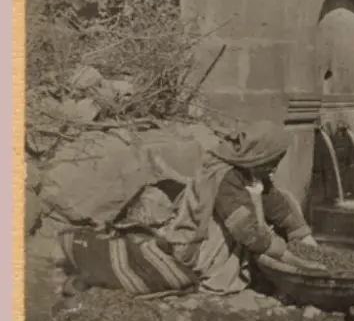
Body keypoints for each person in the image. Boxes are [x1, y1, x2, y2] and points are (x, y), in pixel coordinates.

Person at [59, 119, 326, 298]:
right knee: (144, 272)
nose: (276, 167)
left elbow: (277, 204)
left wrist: (304, 238)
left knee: (282, 198)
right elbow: (249, 233)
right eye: (275, 159)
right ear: (260, 154)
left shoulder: (250, 170)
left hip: (231, 233)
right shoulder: (227, 177)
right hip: (194, 248)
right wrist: (296, 261)